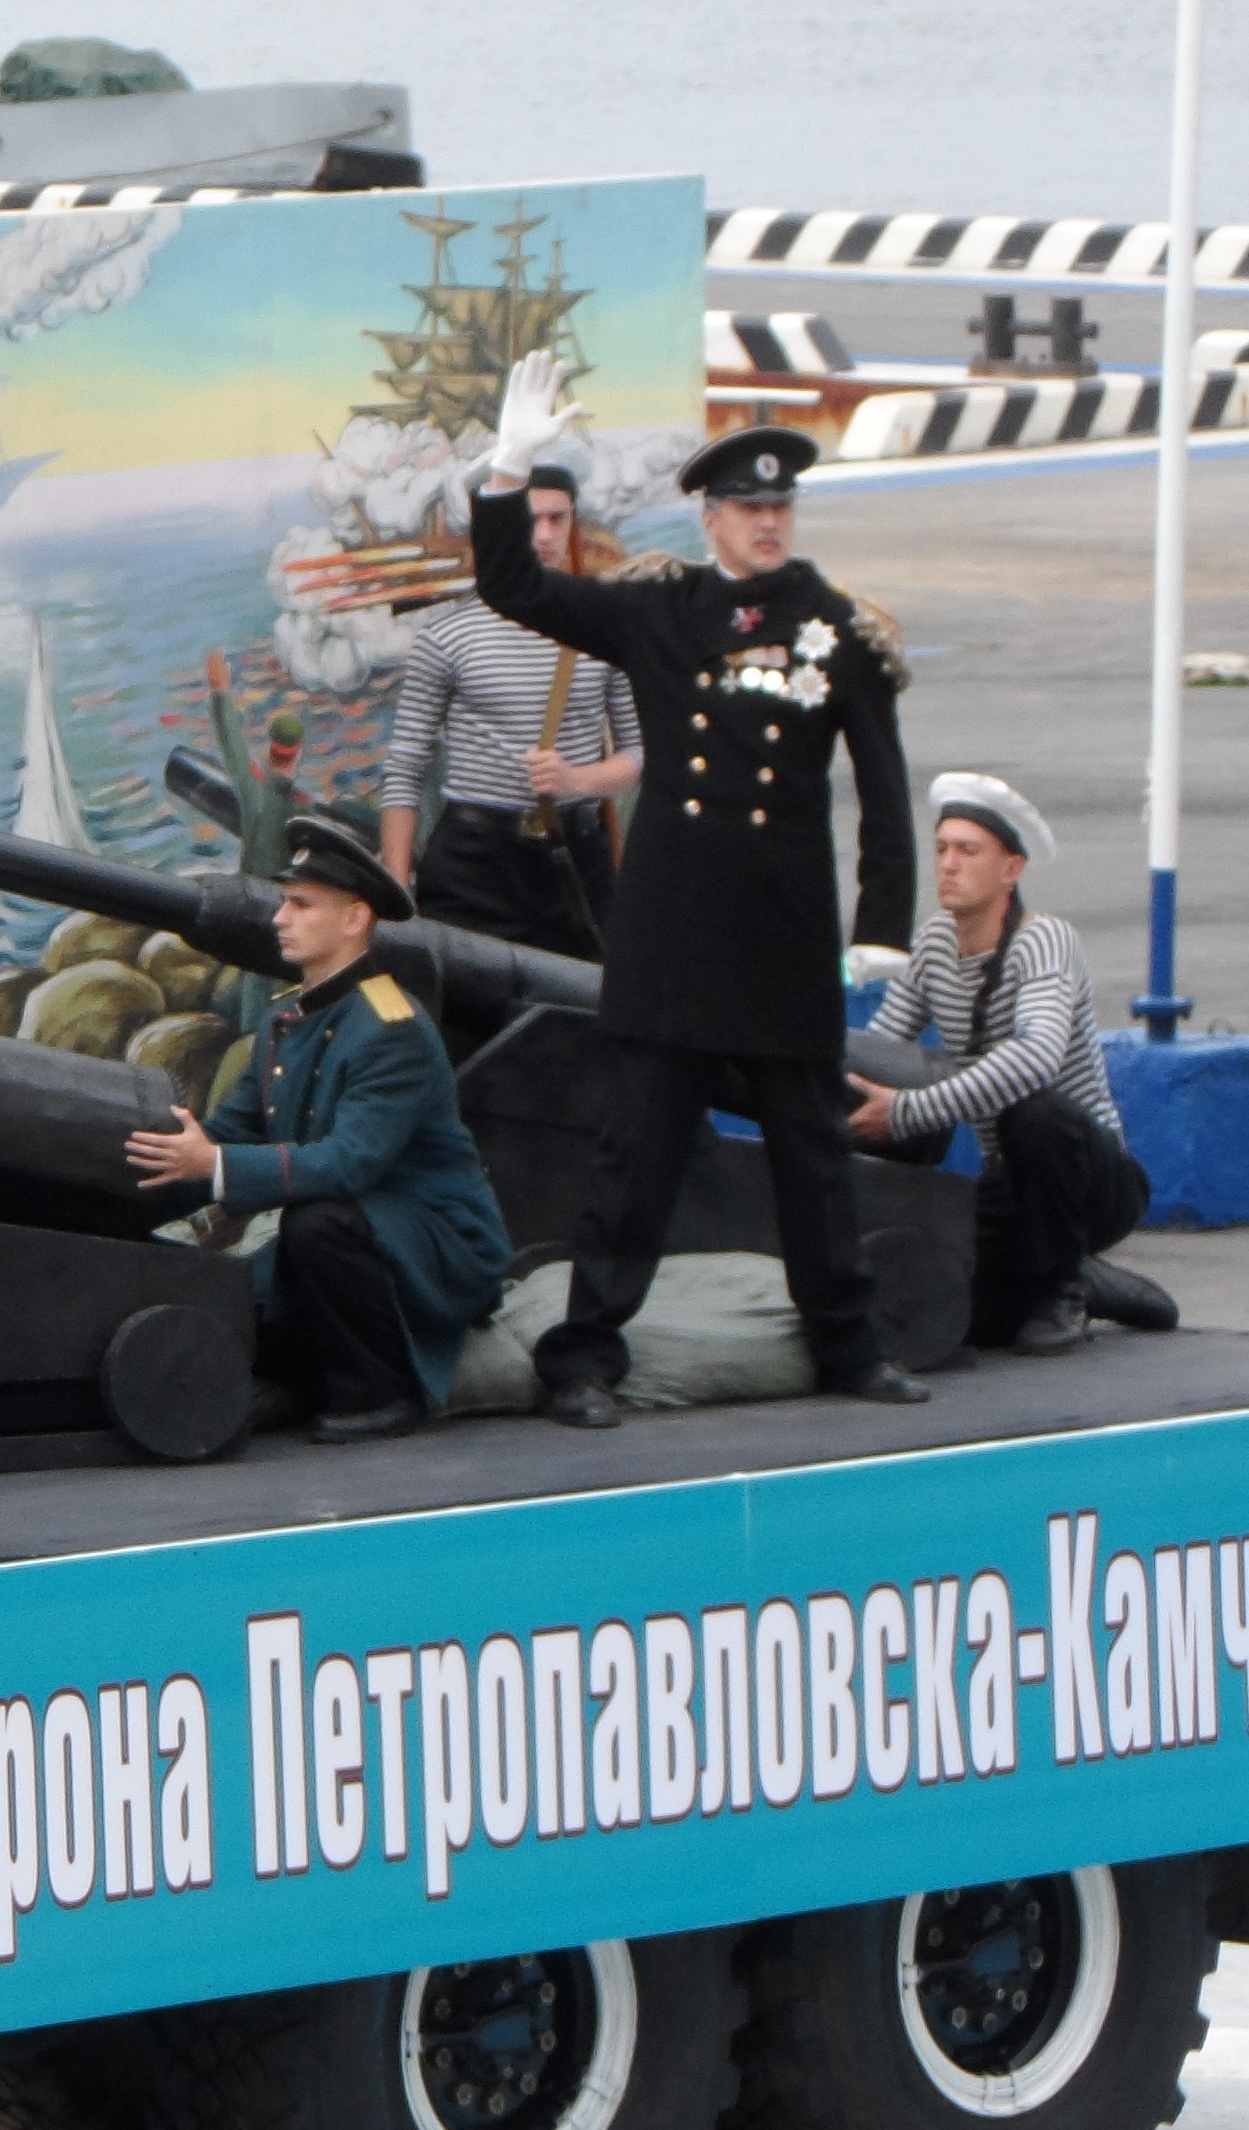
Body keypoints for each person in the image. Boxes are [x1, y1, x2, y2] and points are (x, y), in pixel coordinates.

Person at [466, 358, 926, 1426]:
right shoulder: (661, 613)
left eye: (781, 506)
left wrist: (883, 928)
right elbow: (517, 590)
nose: (768, 522)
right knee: (635, 1155)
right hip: (674, 935)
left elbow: (883, 787)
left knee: (812, 1154)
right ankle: (583, 1359)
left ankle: (850, 1346)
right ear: (710, 518)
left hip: (781, 933)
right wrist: (507, 471)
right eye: (749, 508)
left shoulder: (836, 631)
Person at [127, 815, 512, 1443]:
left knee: (317, 1223)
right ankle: (314, 1375)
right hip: (363, 1233)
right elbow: (230, 1130)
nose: (280, 919)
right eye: (284, 902)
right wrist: (152, 1170)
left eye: (302, 905)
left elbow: (349, 1163)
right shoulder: (287, 1023)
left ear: (355, 919)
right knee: (242, 1306)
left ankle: (385, 1393)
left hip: (434, 1242)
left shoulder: (392, 1028)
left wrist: (215, 1167)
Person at [847, 772, 1148, 1356]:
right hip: (1009, 1181)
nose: (948, 865)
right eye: (942, 849)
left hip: (1089, 1176)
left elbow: (1035, 1059)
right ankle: (1087, 1280)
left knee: (1032, 1112)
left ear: (1011, 869)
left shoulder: (1045, 940)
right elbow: (882, 1047)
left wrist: (906, 1112)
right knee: (959, 1314)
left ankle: (1063, 1290)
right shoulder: (935, 942)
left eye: (968, 851)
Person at [380, 461, 640, 958]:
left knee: (585, 997)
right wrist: (396, 891)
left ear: (573, 522)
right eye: (530, 519)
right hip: (475, 862)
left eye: (557, 518)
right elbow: (406, 766)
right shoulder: (446, 636)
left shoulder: (604, 627)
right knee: (466, 999)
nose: (543, 534)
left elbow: (640, 752)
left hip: (575, 859)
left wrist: (578, 781)